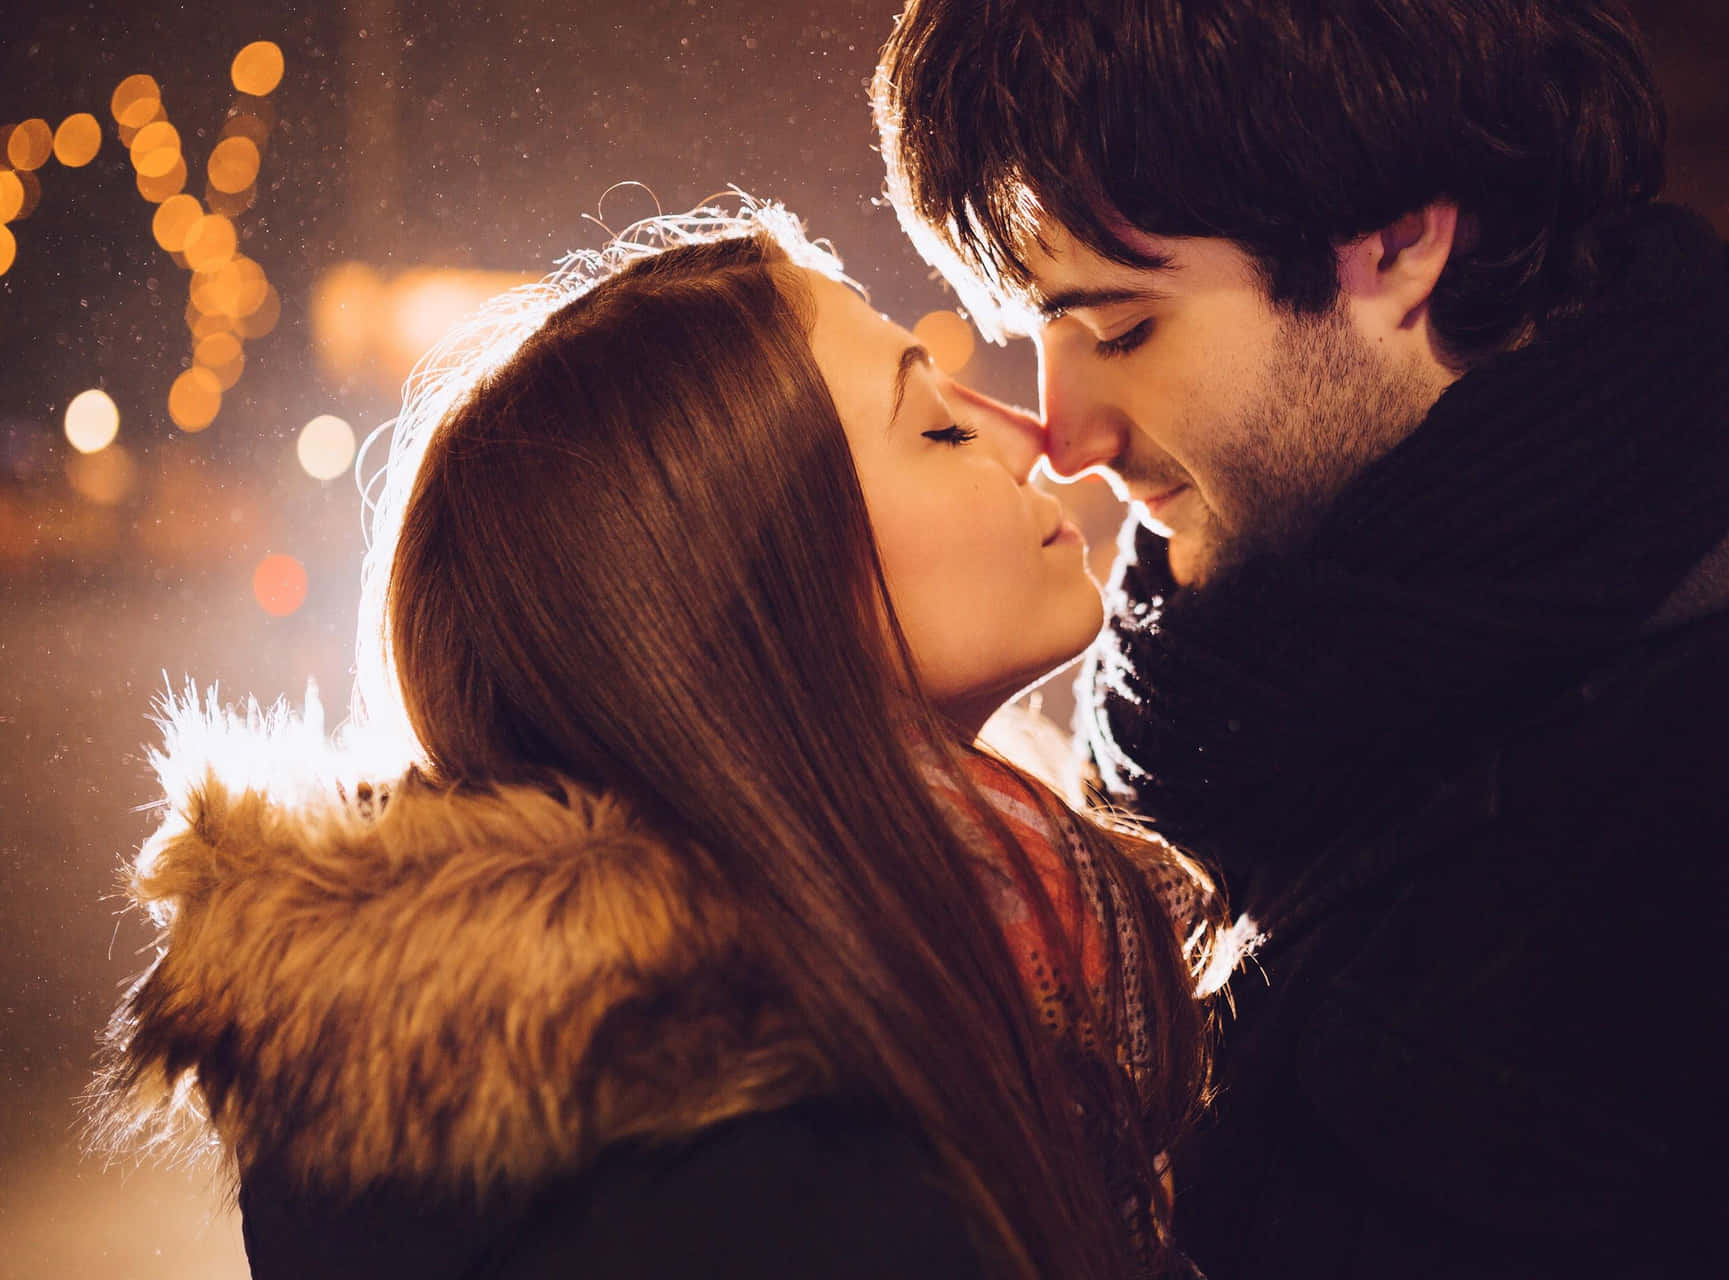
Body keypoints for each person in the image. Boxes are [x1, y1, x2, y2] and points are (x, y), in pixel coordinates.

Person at [873, 1, 1729, 1274]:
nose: (1068, 434)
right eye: (1038, 330)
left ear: (1405, 240)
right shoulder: (1224, 685)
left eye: (1123, 330)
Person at [90, 206, 1238, 1280]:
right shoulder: (758, 1174)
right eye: (935, 423)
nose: (1033, 437)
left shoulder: (934, 967)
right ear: (744, 599)